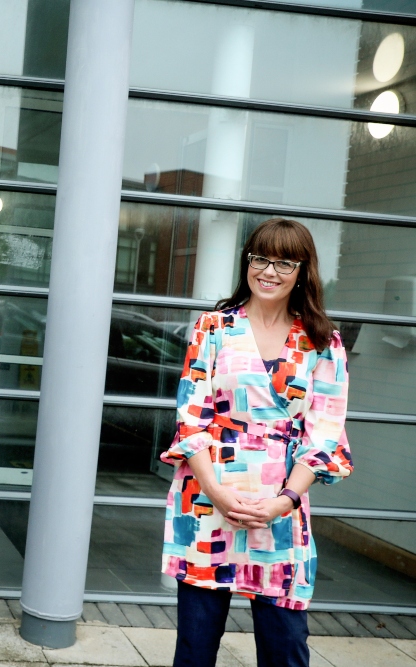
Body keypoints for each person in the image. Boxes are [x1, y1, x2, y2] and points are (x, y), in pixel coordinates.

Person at [161, 218, 353, 667]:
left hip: (280, 510)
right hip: (208, 503)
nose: (270, 271)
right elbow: (192, 420)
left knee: (286, 648)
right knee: (195, 648)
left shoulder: (323, 342)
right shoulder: (213, 327)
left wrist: (283, 501)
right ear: (247, 262)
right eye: (260, 258)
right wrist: (217, 492)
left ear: (303, 270)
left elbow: (324, 433)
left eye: (285, 262)